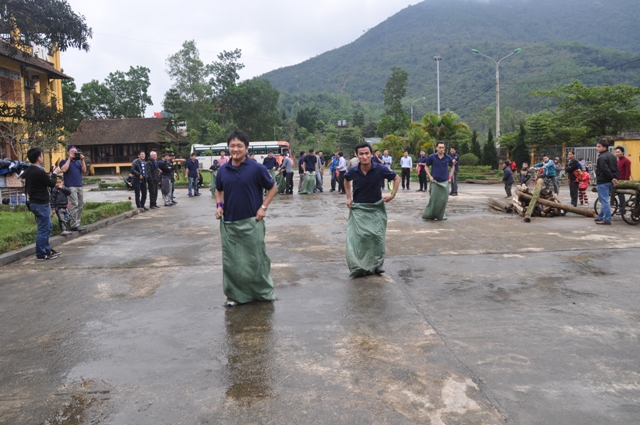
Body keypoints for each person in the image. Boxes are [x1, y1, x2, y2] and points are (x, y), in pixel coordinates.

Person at [215, 130, 277, 306]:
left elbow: (273, 187)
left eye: (239, 146)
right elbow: (218, 190)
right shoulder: (223, 170)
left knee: (256, 259)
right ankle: (235, 295)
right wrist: (219, 206)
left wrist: (263, 208)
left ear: (246, 148)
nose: (235, 149)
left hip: (253, 221)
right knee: (232, 262)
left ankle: (261, 292)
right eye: (232, 146)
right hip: (230, 224)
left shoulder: (257, 168)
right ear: (228, 148)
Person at [344, 142, 400, 277]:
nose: (364, 157)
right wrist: (348, 197)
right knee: (360, 238)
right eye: (361, 154)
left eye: (367, 153)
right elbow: (346, 180)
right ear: (356, 156)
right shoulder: (353, 171)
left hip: (376, 207)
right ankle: (359, 265)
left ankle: (377, 265)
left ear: (371, 154)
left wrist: (392, 195)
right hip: (359, 208)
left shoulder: (381, 169)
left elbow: (396, 178)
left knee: (377, 237)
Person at [23, 147, 62, 260]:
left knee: (47, 227)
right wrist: (55, 173)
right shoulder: (38, 171)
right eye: (42, 156)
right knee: (44, 228)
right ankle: (41, 253)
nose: (43, 158)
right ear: (38, 158)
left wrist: (50, 174)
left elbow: (43, 181)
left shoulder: (30, 170)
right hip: (40, 203)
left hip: (35, 203)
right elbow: (51, 183)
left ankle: (47, 249)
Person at [422, 141, 455, 221]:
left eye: (442, 147)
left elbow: (452, 166)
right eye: (439, 147)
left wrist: (450, 177)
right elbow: (426, 166)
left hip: (444, 182)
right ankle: (430, 215)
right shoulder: (432, 157)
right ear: (436, 148)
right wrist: (430, 176)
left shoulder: (447, 158)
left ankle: (440, 215)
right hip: (435, 182)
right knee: (433, 200)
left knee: (444, 200)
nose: (441, 149)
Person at [59, 145, 87, 231]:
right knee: (74, 204)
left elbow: (84, 170)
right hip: (71, 186)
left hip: (79, 185)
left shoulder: (78, 162)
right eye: (72, 152)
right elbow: (64, 169)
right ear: (68, 152)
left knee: (80, 205)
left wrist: (82, 160)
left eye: (75, 152)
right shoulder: (64, 161)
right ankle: (74, 224)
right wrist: (69, 159)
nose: (74, 153)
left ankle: (77, 223)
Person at [594, 139, 619, 225]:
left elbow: (605, 169)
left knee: (604, 201)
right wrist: (614, 177)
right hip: (609, 181)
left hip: (603, 181)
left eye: (599, 146)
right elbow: (616, 168)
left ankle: (607, 219)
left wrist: (612, 177)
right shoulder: (612, 156)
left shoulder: (602, 157)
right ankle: (601, 216)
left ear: (604, 147)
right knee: (604, 200)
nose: (597, 148)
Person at [615, 146, 632, 216]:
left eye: (618, 152)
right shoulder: (618, 161)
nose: (617, 153)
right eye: (616, 152)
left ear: (622, 152)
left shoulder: (627, 161)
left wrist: (625, 181)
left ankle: (622, 209)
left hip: (623, 180)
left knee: (621, 195)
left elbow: (628, 172)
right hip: (617, 180)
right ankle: (621, 208)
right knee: (618, 195)